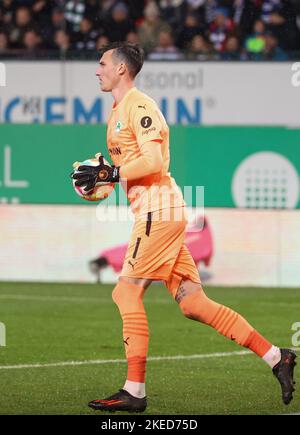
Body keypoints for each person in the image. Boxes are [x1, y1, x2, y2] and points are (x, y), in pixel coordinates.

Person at [71, 42, 297, 413]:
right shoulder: (117, 112)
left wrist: (111, 172)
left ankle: (135, 391)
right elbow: (126, 170)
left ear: (122, 69)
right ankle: (276, 356)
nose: (97, 69)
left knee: (125, 294)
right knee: (193, 303)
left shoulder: (138, 105)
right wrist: (101, 184)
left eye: (102, 63)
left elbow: (153, 159)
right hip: (159, 210)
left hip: (158, 211)